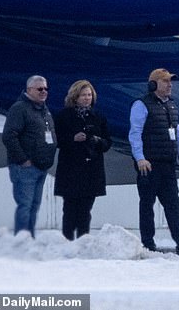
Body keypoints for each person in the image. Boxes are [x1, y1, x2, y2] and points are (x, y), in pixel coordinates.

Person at [128, 68, 179, 254]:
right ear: (153, 84)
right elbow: (135, 134)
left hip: (168, 163)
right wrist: (140, 158)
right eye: (165, 81)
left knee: (173, 204)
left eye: (170, 81)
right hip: (149, 163)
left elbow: (177, 133)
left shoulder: (172, 105)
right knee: (147, 204)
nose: (170, 85)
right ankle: (148, 243)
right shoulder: (141, 105)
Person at [54, 80, 112, 240]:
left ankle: (83, 240)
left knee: (86, 209)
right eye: (83, 95)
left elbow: (107, 142)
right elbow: (56, 140)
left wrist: (96, 141)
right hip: (71, 169)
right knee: (70, 208)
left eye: (89, 95)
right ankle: (67, 239)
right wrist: (72, 138)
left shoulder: (98, 117)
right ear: (75, 97)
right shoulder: (63, 116)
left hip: (91, 169)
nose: (87, 98)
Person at [2, 75, 57, 238]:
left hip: (41, 167)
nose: (44, 92)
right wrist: (23, 160)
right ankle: (21, 241)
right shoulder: (20, 108)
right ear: (29, 90)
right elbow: (9, 136)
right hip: (25, 167)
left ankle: (29, 239)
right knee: (25, 206)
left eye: (46, 88)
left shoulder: (44, 110)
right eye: (40, 89)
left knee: (34, 205)